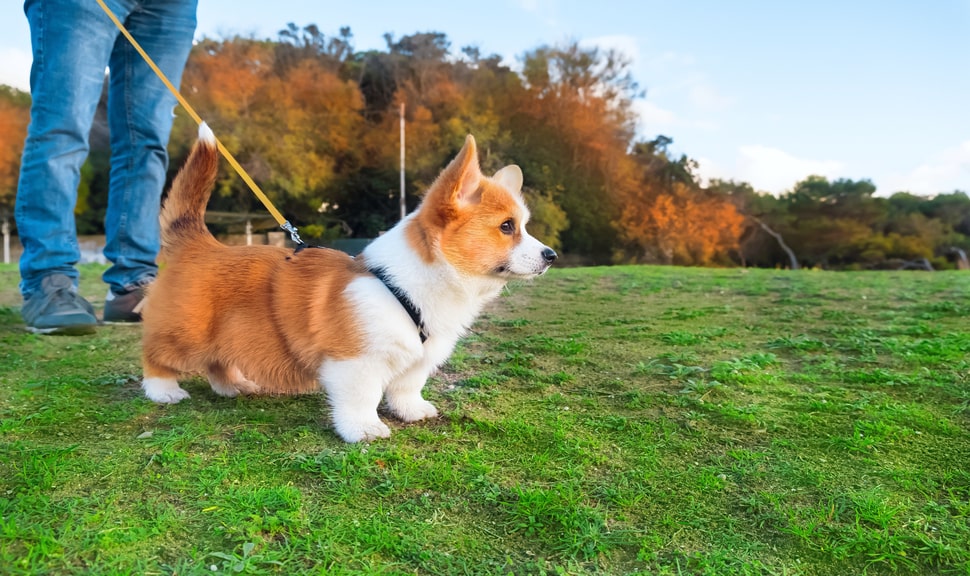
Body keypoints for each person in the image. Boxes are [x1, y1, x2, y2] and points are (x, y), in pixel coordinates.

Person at [16, 0, 198, 334]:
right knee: (62, 129)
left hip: (171, 6)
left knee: (148, 142)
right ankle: (48, 279)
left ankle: (134, 283)